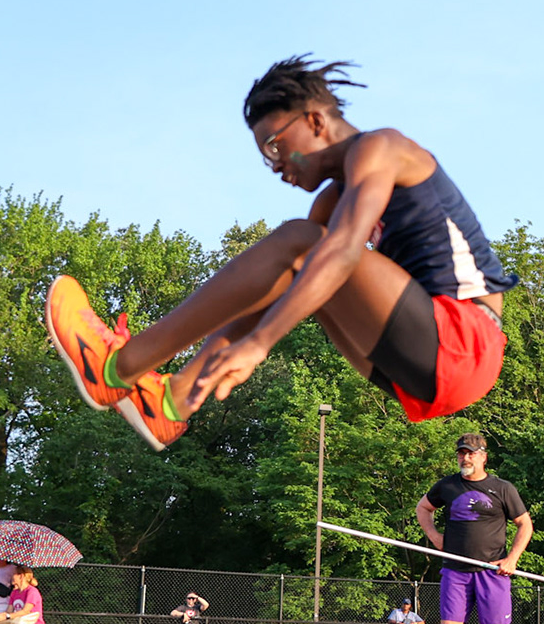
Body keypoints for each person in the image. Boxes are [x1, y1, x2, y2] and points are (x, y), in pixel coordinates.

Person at [45, 56, 519, 452]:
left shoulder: (382, 148)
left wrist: (260, 343)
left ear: (315, 120)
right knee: (298, 264)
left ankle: (118, 367)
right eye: (264, 156)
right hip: (413, 369)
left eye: (276, 146)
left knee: (307, 245)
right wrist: (251, 335)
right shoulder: (333, 201)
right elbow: (282, 281)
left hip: (466, 341)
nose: (274, 165)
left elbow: (343, 251)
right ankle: (170, 404)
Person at [415, 432, 531, 624]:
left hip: (493, 572)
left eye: (471, 453)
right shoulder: (447, 486)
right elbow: (423, 508)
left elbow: (525, 524)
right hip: (455, 571)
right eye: (461, 453)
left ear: (483, 456)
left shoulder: (503, 488)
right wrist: (434, 537)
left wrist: (512, 558)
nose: (465, 457)